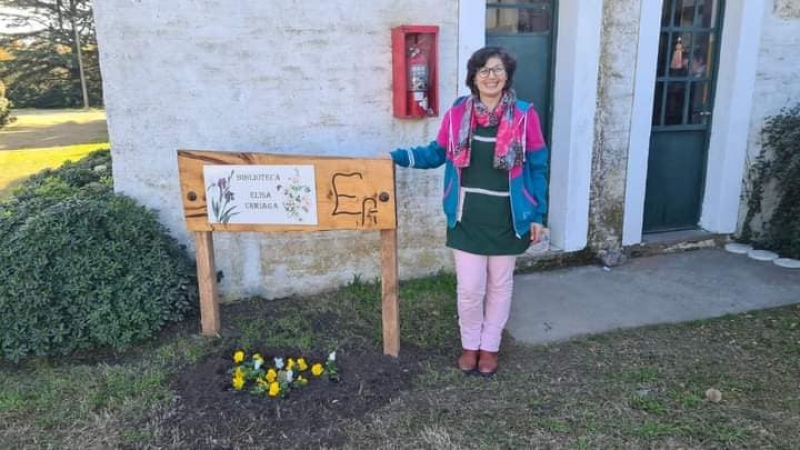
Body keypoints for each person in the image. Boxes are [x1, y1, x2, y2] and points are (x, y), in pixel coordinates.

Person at [386, 46, 549, 377]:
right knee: (470, 288)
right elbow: (436, 153)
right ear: (473, 77)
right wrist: (395, 156)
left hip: (509, 217)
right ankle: (469, 345)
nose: (491, 77)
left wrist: (537, 215)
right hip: (467, 216)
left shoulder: (524, 115)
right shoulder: (458, 113)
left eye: (498, 70)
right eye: (484, 71)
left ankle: (490, 347)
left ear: (507, 76)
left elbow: (538, 165)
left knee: (500, 286)